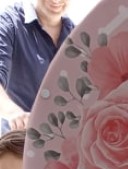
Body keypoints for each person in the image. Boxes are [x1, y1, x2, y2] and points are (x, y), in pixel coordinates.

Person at [0, 0, 74, 132]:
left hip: (64, 141)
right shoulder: (9, 22)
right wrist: (13, 112)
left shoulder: (77, 36)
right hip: (20, 139)